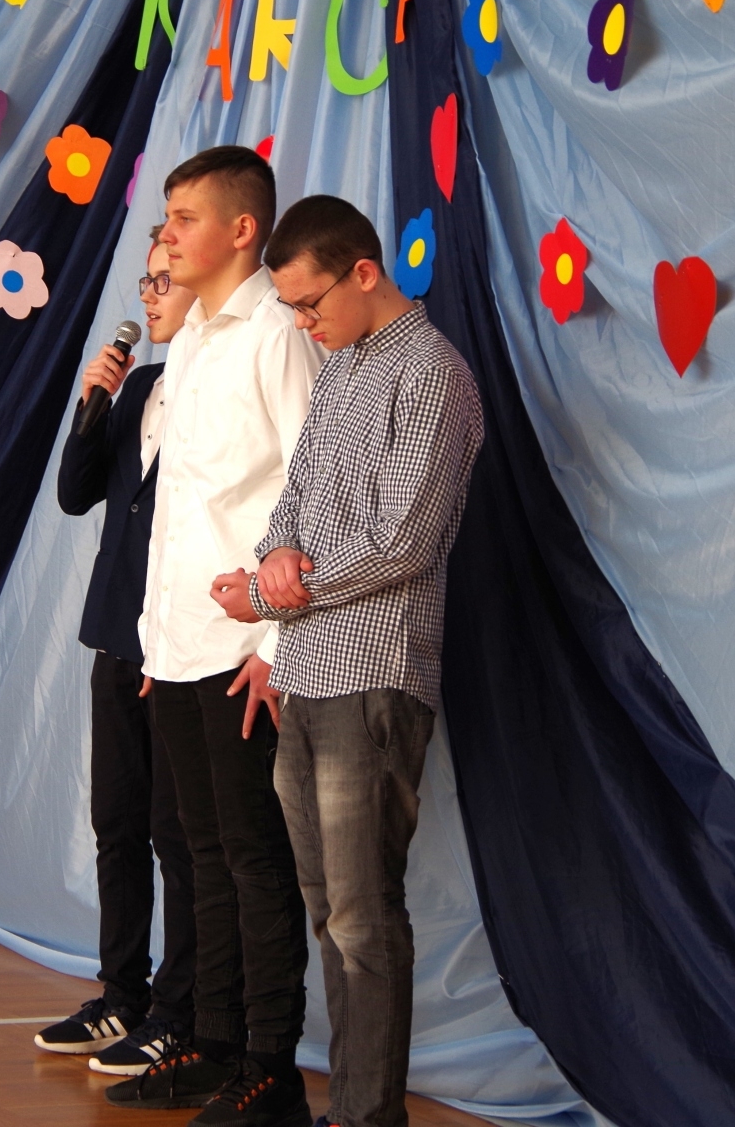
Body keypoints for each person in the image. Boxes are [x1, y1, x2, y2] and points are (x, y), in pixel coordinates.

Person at [208, 195, 484, 1127]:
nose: (301, 323)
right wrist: (273, 559)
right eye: (289, 308)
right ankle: (350, 1109)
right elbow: (291, 506)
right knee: (327, 910)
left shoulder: (432, 375)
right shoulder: (337, 372)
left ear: (364, 273)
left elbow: (402, 541)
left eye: (309, 302)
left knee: (364, 916)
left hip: (375, 678)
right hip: (307, 672)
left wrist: (277, 593)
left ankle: (369, 1118)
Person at [107, 146, 322, 1127]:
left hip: (246, 654)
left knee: (252, 858)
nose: (167, 236)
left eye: (185, 218)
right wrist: (157, 643)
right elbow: (181, 508)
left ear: (242, 229)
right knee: (198, 853)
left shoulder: (276, 333)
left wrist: (276, 646)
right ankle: (215, 1044)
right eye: (165, 218)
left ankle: (271, 1069)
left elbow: (313, 490)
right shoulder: (191, 337)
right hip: (181, 646)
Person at [37, 230, 202, 1076]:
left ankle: (182, 1009)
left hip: (179, 641)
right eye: (146, 280)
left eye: (164, 280)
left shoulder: (221, 383)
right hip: (116, 633)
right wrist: (91, 404)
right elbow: (75, 495)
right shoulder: (139, 384)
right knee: (117, 822)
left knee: (179, 832)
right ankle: (121, 995)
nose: (148, 295)